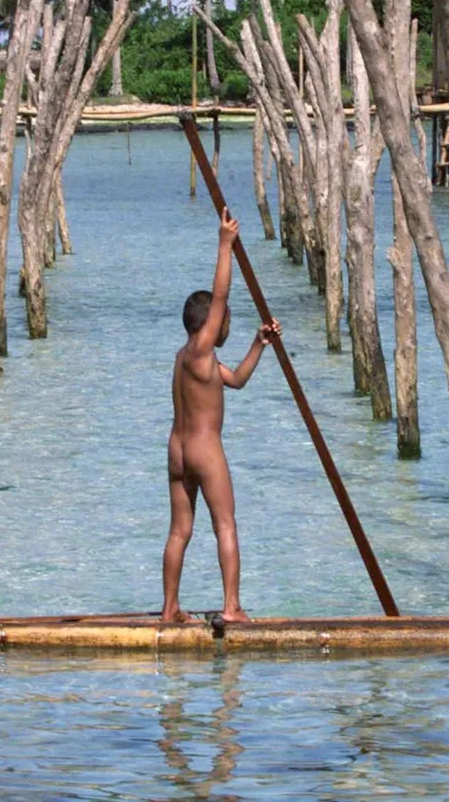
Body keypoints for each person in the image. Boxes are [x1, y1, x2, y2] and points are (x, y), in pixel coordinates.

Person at [163, 207, 279, 624]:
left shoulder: (188, 360)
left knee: (180, 531)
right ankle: (231, 608)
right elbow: (222, 295)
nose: (225, 323)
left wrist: (258, 344)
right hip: (203, 449)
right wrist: (224, 244)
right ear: (207, 326)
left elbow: (238, 380)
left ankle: (170, 608)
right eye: (221, 321)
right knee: (226, 524)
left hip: (177, 451)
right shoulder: (200, 349)